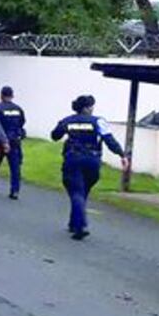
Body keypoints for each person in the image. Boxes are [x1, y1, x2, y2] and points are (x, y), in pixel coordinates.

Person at [50, 94, 127, 241]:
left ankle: (80, 225)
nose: (93, 109)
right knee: (82, 192)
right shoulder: (98, 121)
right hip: (92, 160)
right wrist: (121, 155)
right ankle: (74, 222)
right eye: (91, 106)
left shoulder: (68, 120)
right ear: (86, 108)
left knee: (76, 192)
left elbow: (55, 136)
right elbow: (109, 140)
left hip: (73, 159)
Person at [0, 86, 26, 199]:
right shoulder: (18, 109)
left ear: (1, 95)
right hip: (14, 141)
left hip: (0, 140)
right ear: (12, 95)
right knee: (15, 168)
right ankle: (15, 191)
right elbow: (21, 123)